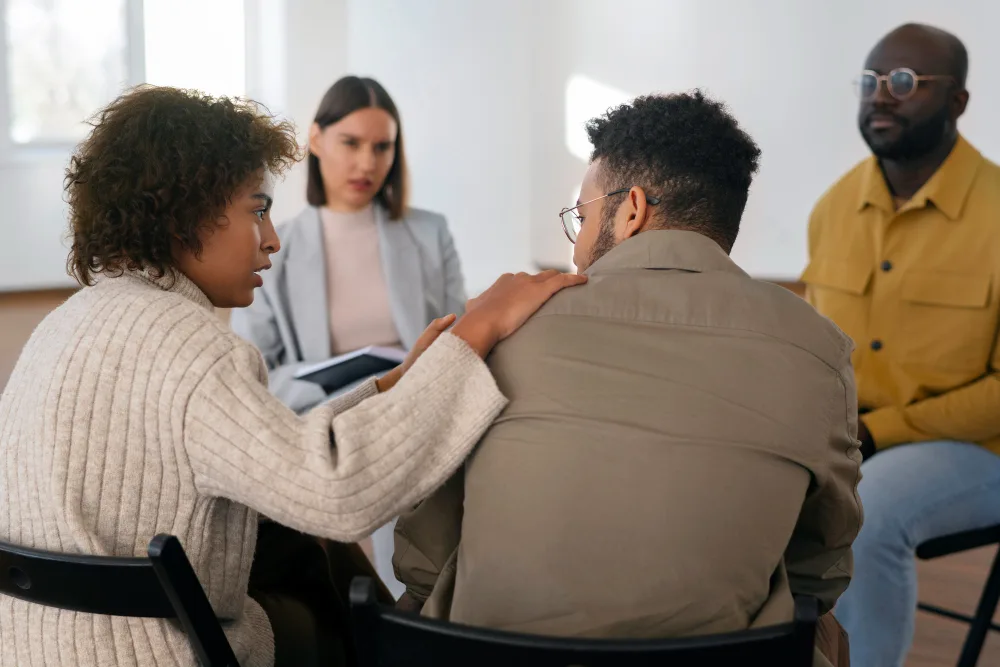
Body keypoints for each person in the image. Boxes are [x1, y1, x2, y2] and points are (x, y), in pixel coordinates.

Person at [0, 85, 585, 667]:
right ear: (185, 217)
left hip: (31, 647)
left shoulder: (65, 323)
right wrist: (473, 333)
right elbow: (340, 496)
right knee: (334, 588)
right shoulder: (192, 344)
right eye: (257, 210)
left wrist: (397, 382)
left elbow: (274, 453)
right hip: (161, 654)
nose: (271, 238)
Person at [391, 92, 861, 667]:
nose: (579, 244)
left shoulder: (505, 323)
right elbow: (822, 563)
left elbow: (423, 555)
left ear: (631, 209)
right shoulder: (816, 346)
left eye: (582, 218)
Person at [802, 23, 1000, 667]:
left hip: (979, 446)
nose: (881, 97)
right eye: (871, 82)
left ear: (958, 101)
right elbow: (813, 346)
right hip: (855, 439)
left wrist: (880, 431)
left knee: (872, 509)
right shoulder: (833, 208)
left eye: (906, 82)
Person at [230, 76, 465, 595]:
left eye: (382, 147)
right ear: (316, 140)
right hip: (328, 426)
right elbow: (255, 373)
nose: (367, 163)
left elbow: (461, 340)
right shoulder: (273, 245)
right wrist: (356, 387)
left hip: (417, 416)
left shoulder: (429, 233)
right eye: (352, 143)